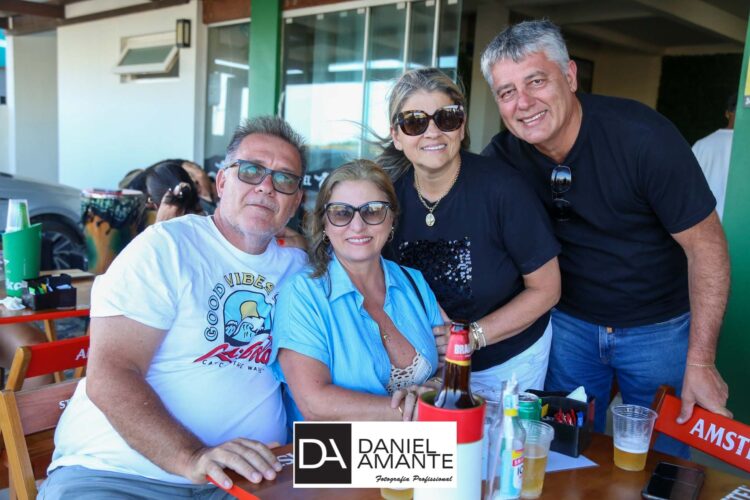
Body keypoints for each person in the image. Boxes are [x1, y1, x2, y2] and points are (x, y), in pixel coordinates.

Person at [480, 20, 731, 456]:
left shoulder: (643, 138)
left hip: (660, 330)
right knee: (560, 455)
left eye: (536, 81)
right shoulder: (503, 159)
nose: (523, 103)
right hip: (568, 327)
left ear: (570, 76)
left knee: (665, 463)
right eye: (506, 92)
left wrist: (701, 360)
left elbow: (706, 247)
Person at [39, 116, 309, 499]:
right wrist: (192, 456)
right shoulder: (166, 248)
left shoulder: (299, 270)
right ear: (222, 182)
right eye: (251, 171)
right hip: (118, 475)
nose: (266, 186)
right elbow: (110, 372)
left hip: (246, 480)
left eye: (284, 179)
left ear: (295, 201)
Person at [378, 68, 561, 394]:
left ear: (461, 126)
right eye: (415, 122)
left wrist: (470, 336)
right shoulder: (387, 201)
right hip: (427, 367)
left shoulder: (503, 189)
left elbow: (547, 290)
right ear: (397, 135)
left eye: (446, 118)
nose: (432, 132)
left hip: (508, 363)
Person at [271, 160, 443, 422]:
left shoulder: (414, 281)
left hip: (419, 446)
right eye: (341, 213)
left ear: (392, 219)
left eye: (373, 211)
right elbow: (314, 403)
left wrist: (436, 386)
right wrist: (414, 411)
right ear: (325, 223)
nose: (358, 225)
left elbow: (450, 361)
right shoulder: (302, 294)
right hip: (336, 447)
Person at [692, 92, 737, 221]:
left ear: (727, 113)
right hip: (741, 224)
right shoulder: (745, 146)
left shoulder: (701, 145)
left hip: (705, 224)